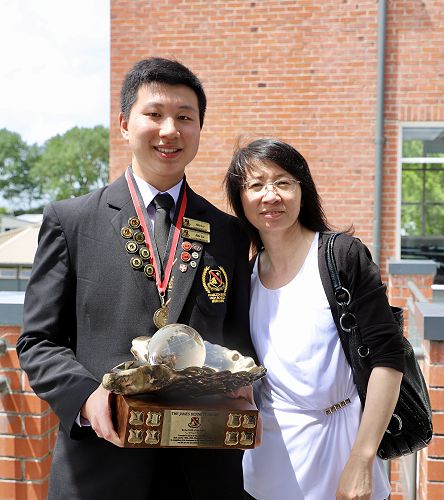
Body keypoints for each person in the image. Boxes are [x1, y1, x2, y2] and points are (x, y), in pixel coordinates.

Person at [17, 58, 254, 500]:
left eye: (185, 117)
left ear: (200, 129)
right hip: (100, 468)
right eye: (154, 114)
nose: (170, 130)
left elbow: (241, 338)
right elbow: (38, 341)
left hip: (202, 473)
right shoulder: (71, 222)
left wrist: (242, 382)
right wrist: (86, 397)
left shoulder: (229, 233)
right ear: (125, 124)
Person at [224, 138, 405, 500]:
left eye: (283, 182)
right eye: (255, 185)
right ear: (241, 200)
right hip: (268, 464)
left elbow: (388, 358)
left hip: (344, 450)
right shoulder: (244, 277)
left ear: (302, 191)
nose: (270, 195)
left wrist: (362, 457)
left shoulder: (340, 256)